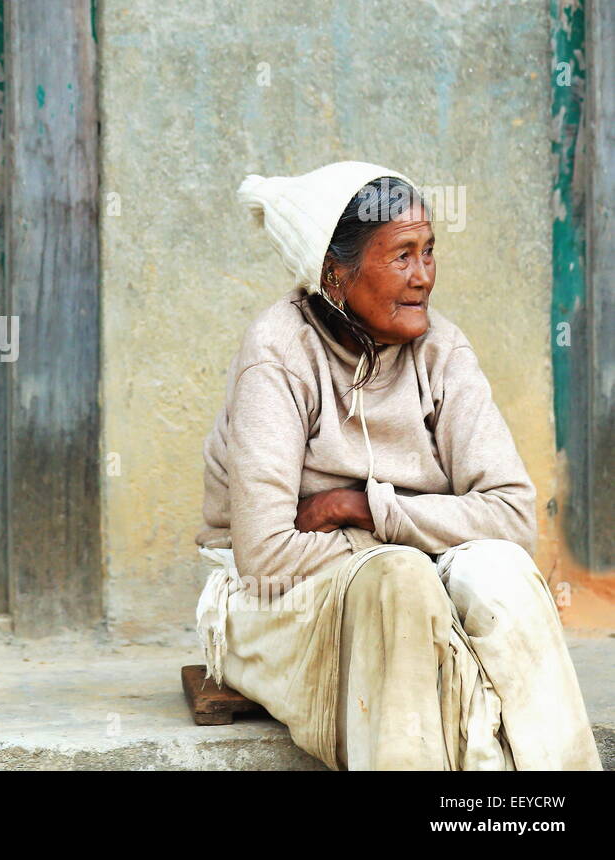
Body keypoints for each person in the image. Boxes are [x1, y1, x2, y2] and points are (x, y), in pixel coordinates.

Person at [193, 160, 602, 770]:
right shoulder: (278, 354)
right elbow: (266, 554)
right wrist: (409, 548)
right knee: (399, 584)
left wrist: (363, 507)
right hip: (278, 604)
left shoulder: (442, 349)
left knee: (503, 580)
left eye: (430, 252)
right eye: (402, 256)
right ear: (335, 275)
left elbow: (512, 516)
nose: (424, 278)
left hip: (407, 572)